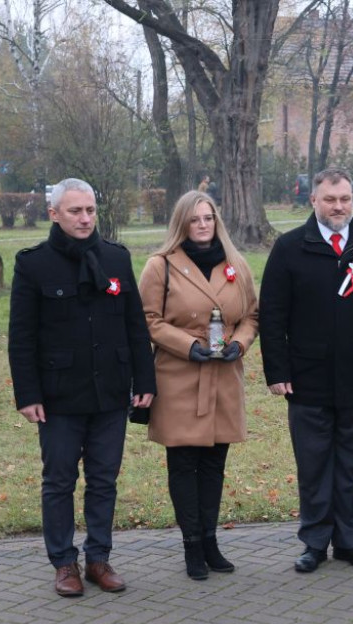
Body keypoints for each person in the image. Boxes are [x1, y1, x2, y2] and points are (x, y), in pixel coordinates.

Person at [8, 178, 156, 596]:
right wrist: (28, 394)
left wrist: (144, 379)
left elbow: (134, 324)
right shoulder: (34, 264)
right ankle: (63, 563)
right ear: (54, 213)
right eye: (75, 211)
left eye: (90, 210)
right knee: (59, 481)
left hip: (110, 389)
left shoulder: (114, 258)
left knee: (104, 479)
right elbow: (22, 337)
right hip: (58, 396)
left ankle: (98, 559)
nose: (85, 218)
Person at [259, 168, 353, 573]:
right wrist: (276, 369)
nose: (338, 206)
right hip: (306, 378)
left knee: (352, 465)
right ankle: (314, 541)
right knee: (313, 464)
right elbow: (272, 315)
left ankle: (349, 541)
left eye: (344, 199)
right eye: (330, 200)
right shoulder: (290, 248)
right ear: (313, 201)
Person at [138, 191, 258, 580]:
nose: (203, 225)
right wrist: (189, 346)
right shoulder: (161, 266)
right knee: (184, 463)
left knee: (214, 465)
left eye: (209, 218)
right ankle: (191, 545)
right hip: (179, 377)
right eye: (195, 219)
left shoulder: (236, 264)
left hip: (224, 376)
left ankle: (210, 540)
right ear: (182, 224)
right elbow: (149, 320)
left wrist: (238, 344)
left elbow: (253, 315)